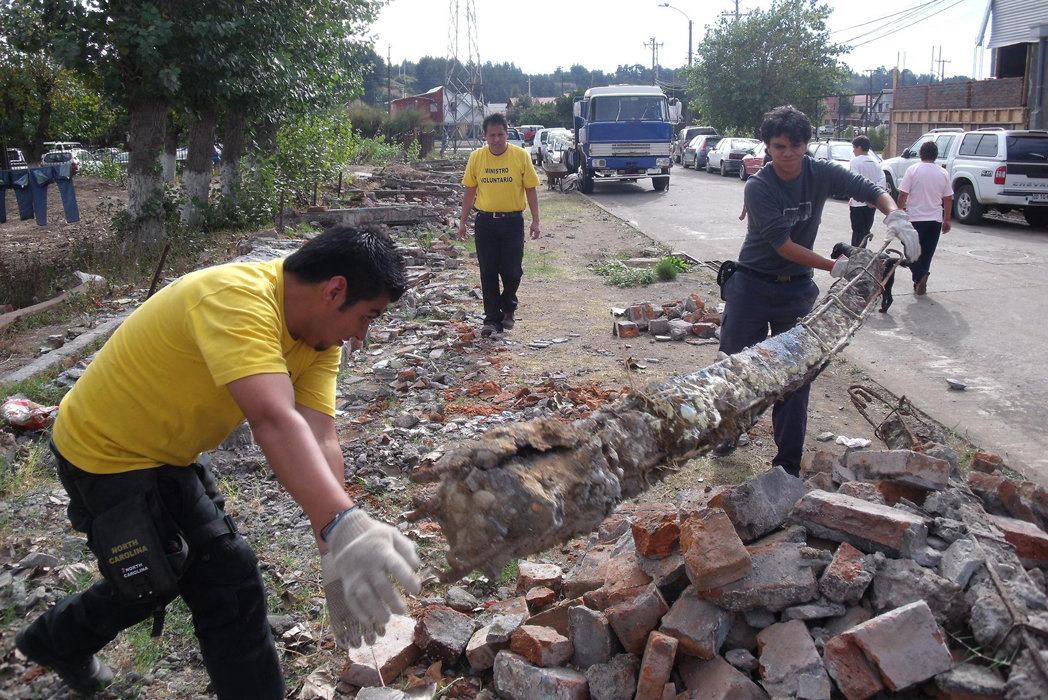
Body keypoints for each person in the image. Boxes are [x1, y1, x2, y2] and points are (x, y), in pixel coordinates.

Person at [14, 226, 422, 698]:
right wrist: (343, 523)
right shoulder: (235, 299)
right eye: (368, 316)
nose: (362, 334)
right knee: (174, 578)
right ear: (334, 290)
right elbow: (272, 419)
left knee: (207, 576)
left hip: (170, 452)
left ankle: (56, 640)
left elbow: (319, 436)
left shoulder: (317, 339)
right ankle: (58, 639)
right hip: (104, 451)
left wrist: (332, 544)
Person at [718, 105, 921, 477]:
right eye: (780, 146)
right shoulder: (759, 186)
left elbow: (869, 189)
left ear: (806, 144)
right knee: (736, 367)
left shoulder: (820, 172)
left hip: (796, 291)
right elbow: (782, 244)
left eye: (796, 145)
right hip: (751, 286)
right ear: (768, 147)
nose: (788, 153)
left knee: (796, 378)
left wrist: (895, 213)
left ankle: (787, 464)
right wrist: (834, 266)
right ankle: (730, 429)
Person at [457, 113, 541, 337]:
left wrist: (536, 221)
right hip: (485, 223)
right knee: (488, 272)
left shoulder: (520, 156)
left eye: (500, 134)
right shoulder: (477, 157)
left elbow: (530, 188)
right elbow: (470, 191)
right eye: (492, 135)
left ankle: (508, 306)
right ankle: (492, 320)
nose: (496, 139)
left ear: (507, 134)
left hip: (513, 222)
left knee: (512, 271)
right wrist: (462, 222)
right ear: (484, 136)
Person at [897, 141, 953, 295]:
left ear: (920, 153)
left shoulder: (913, 170)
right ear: (936, 155)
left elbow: (903, 194)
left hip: (915, 219)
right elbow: (948, 198)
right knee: (927, 254)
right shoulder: (943, 173)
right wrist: (947, 219)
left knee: (910, 252)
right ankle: (920, 282)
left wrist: (898, 212)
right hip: (935, 220)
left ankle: (920, 276)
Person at [848, 135, 895, 311]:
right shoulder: (876, 163)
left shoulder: (856, 162)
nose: (853, 150)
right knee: (866, 231)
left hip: (858, 203)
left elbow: (854, 182)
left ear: (859, 147)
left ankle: (855, 259)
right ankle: (862, 258)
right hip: (871, 204)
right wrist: (873, 199)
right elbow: (881, 182)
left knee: (857, 232)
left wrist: (863, 197)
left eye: (854, 147)